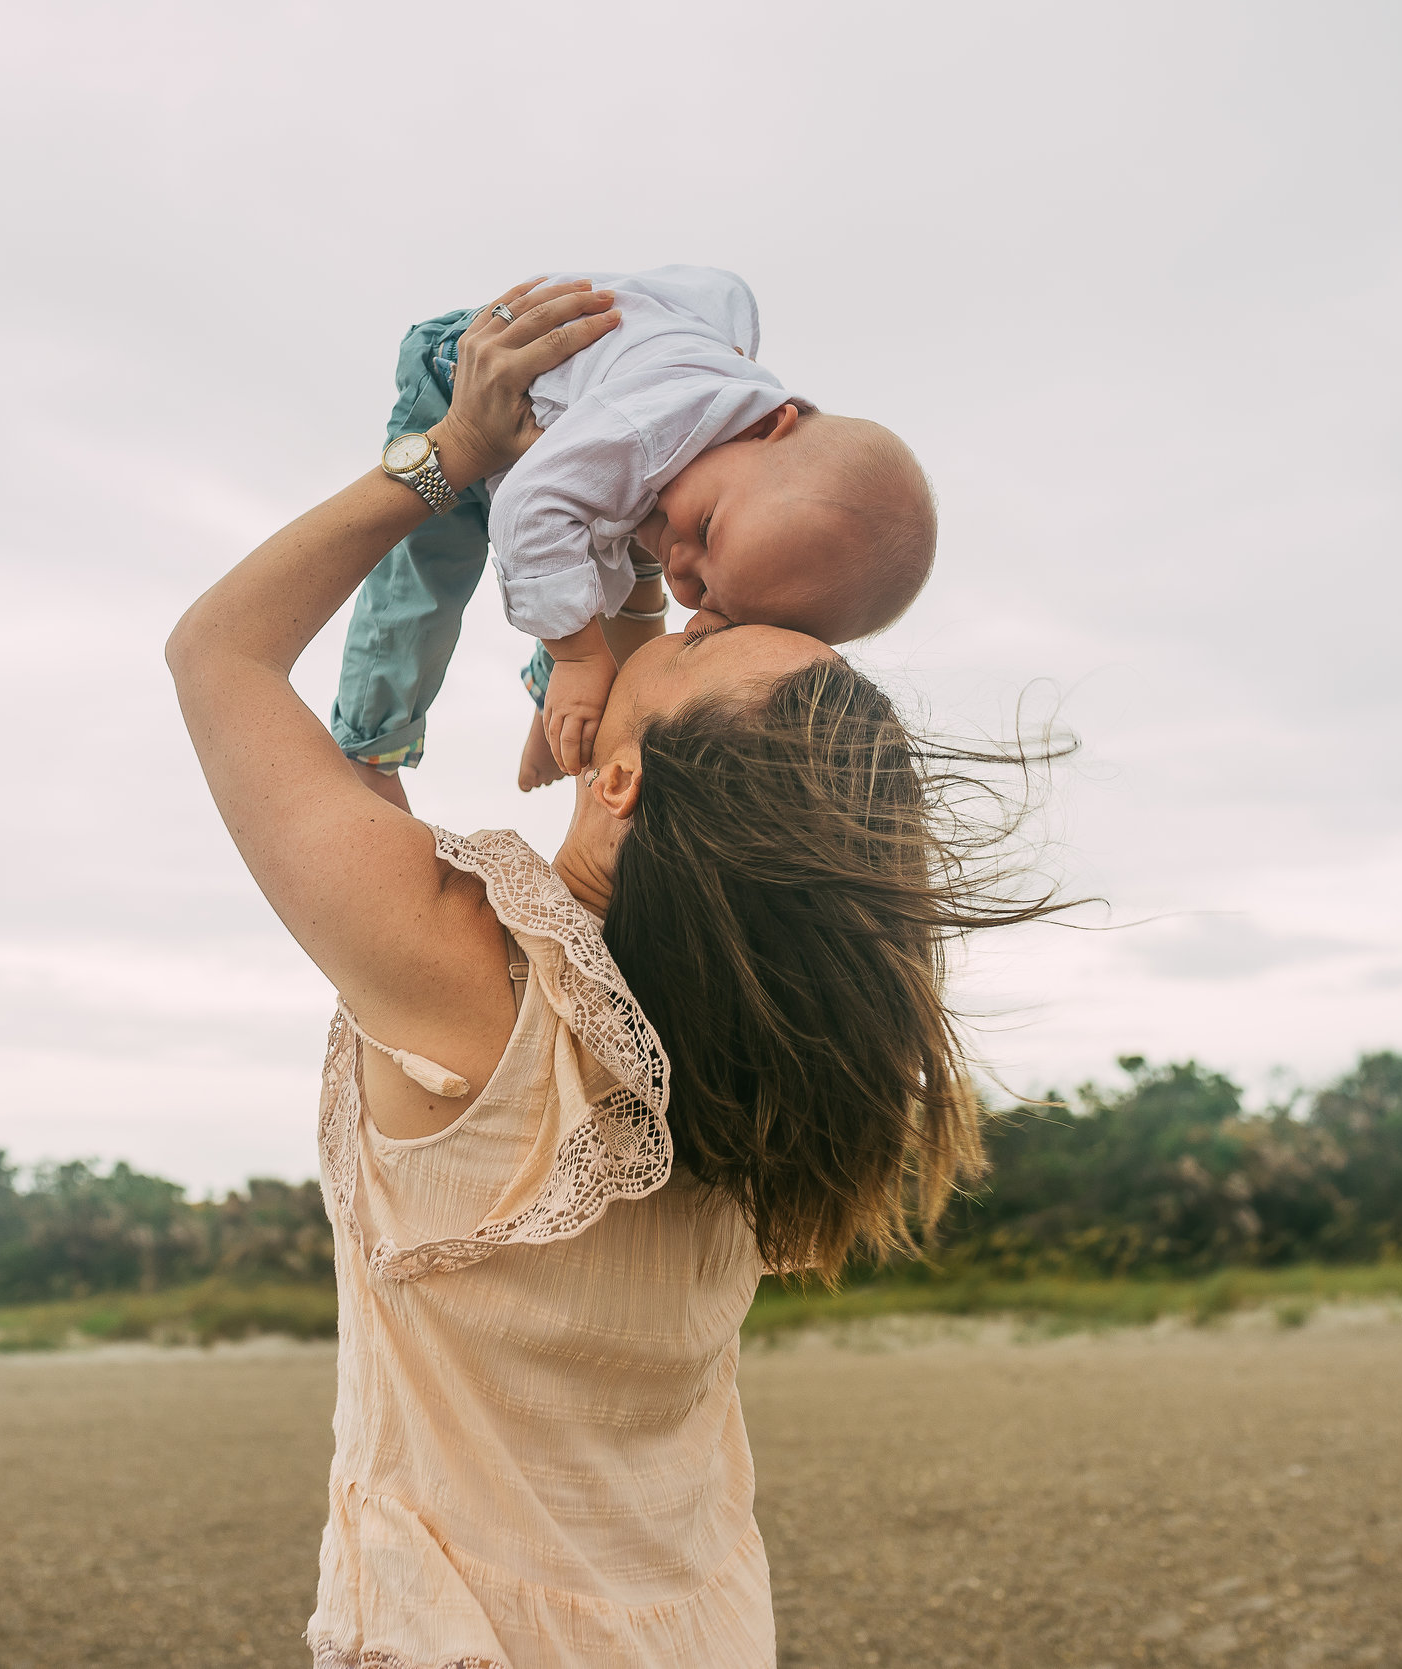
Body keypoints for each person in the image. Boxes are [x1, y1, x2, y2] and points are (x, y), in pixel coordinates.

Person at [167, 279, 1060, 1669]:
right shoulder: (736, 1071)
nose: (691, 608)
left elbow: (216, 652)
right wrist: (610, 541)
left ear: (625, 779)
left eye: (704, 638)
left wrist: (444, 459)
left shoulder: (469, 982)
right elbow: (382, 767)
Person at [327, 265, 938, 802]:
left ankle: (560, 713)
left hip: (566, 433)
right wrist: (578, 657)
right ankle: (371, 744)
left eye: (703, 595)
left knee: (608, 551)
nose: (678, 561)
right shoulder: (646, 427)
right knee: (426, 578)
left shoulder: (724, 418)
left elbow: (727, 291)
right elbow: (527, 506)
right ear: (769, 426)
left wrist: (690, 332)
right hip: (460, 371)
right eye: (706, 528)